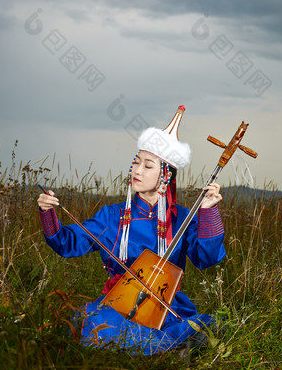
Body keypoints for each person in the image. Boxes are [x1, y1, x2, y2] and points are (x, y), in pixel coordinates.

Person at [37, 105, 225, 355]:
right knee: (100, 324)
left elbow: (207, 259)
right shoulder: (112, 216)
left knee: (205, 324)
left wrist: (208, 211)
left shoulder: (182, 218)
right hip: (118, 304)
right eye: (136, 163)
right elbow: (65, 243)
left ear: (165, 175)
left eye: (148, 166)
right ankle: (171, 348)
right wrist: (47, 212)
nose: (137, 170)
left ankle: (165, 345)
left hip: (167, 306)